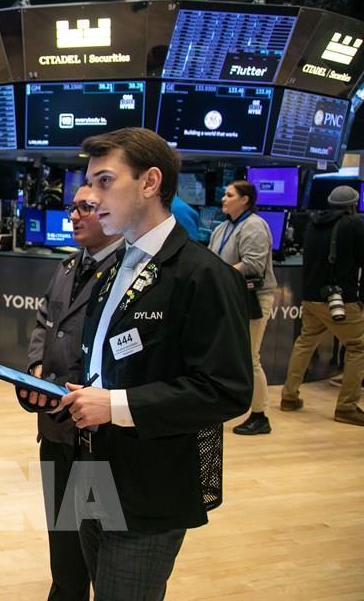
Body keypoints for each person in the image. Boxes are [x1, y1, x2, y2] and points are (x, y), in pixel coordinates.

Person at [62, 127, 252, 600]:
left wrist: (115, 405)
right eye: (90, 182)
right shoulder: (114, 267)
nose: (91, 196)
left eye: (106, 181)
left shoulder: (203, 275)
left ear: (150, 182)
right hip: (92, 470)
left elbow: (226, 390)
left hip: (149, 488)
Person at [20, 183, 123, 601]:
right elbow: (43, 322)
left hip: (98, 435)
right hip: (55, 429)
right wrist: (35, 367)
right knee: (62, 536)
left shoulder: (129, 275)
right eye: (72, 207)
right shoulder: (66, 267)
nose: (74, 216)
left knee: (98, 540)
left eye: (86, 207)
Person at [281, 185, 364, 426]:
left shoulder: (312, 222)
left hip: (311, 297)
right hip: (340, 299)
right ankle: (346, 407)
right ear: (353, 205)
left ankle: (289, 396)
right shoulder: (353, 224)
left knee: (305, 342)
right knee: (358, 347)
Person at [208, 180, 278, 436]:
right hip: (228, 297)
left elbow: (252, 265)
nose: (223, 199)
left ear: (245, 200)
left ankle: (260, 415)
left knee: (250, 357)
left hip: (253, 299)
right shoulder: (223, 227)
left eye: (229, 195)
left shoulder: (255, 225)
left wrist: (218, 275)